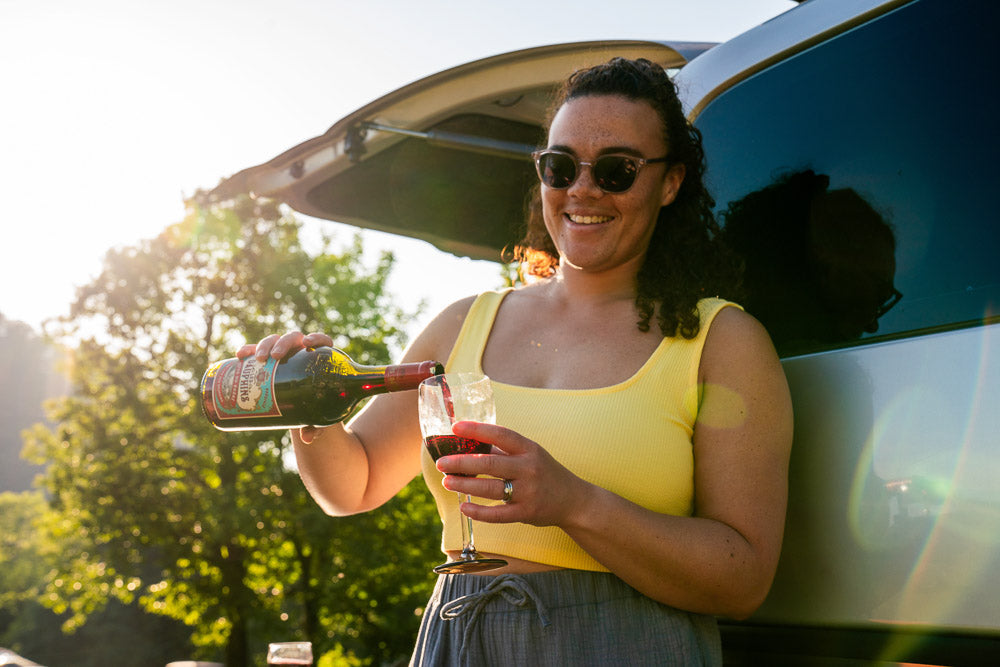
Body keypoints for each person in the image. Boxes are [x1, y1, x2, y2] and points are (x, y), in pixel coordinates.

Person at [241, 57, 793, 666]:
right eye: (561, 167)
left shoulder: (722, 340)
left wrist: (576, 504)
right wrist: (310, 414)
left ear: (669, 183)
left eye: (616, 170)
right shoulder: (461, 323)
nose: (582, 189)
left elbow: (743, 582)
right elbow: (356, 484)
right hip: (460, 636)